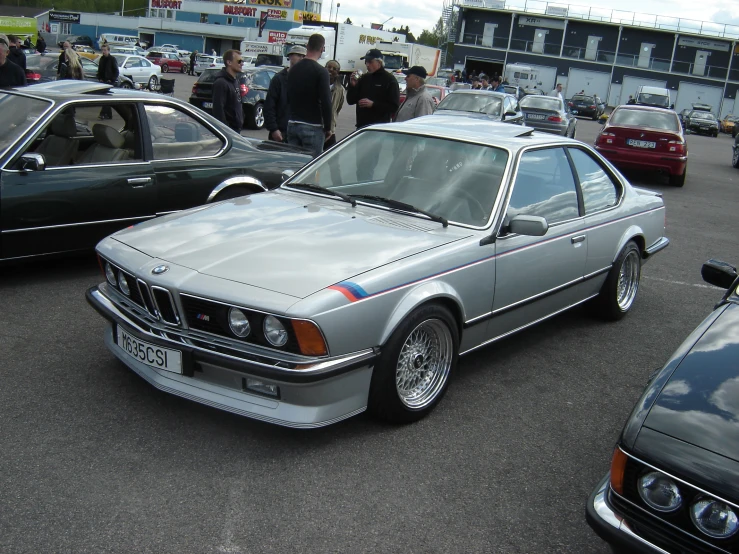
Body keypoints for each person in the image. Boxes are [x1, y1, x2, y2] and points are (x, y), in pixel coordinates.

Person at [285, 34, 332, 158]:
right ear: (322, 49)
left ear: (307, 46)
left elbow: (288, 96)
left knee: (294, 165)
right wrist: (328, 127)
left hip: (293, 123)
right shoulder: (321, 72)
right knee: (311, 168)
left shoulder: (293, 70)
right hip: (312, 125)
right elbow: (326, 101)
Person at [347, 48, 400, 129]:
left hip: (379, 128)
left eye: (370, 62)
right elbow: (350, 101)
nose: (367, 65)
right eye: (366, 62)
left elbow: (394, 107)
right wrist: (352, 86)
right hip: (362, 127)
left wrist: (373, 104)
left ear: (379, 62)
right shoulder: (364, 78)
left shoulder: (389, 80)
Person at [264, 45, 306, 143]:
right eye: (298, 55)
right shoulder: (279, 79)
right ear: (290, 56)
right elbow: (269, 106)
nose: (301, 58)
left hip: (299, 132)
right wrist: (273, 129)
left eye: (304, 56)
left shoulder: (306, 79)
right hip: (281, 131)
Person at [212, 49, 244, 132]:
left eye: (242, 61)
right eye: (239, 61)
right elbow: (218, 110)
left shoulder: (235, 80)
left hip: (236, 129)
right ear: (229, 62)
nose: (242, 64)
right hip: (228, 131)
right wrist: (225, 130)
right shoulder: (221, 83)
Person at [324, 59, 345, 149]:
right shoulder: (318, 84)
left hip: (331, 129)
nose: (331, 70)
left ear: (338, 72)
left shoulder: (340, 89)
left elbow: (338, 108)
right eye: (329, 67)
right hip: (317, 126)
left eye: (334, 68)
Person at [97, 44, 119, 119]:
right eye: (102, 50)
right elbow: (99, 70)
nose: (103, 52)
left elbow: (116, 71)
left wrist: (111, 79)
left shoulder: (112, 59)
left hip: (109, 82)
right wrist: (99, 78)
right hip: (102, 82)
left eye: (105, 50)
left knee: (106, 98)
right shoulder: (101, 59)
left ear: (108, 51)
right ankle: (109, 114)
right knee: (105, 98)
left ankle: (103, 113)